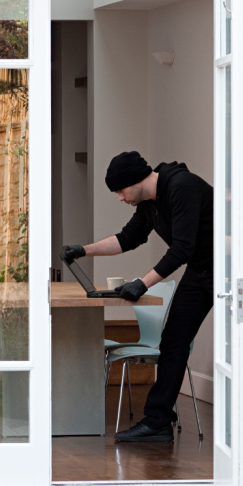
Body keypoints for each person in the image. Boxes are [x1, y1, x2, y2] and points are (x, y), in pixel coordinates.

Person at [63, 151, 213, 442]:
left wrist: (141, 284)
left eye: (120, 190)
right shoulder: (149, 203)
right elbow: (127, 238)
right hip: (201, 271)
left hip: (227, 269)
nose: (120, 197)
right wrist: (83, 250)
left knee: (239, 346)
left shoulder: (182, 187)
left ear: (134, 180)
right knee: (174, 341)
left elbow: (181, 249)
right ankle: (158, 423)